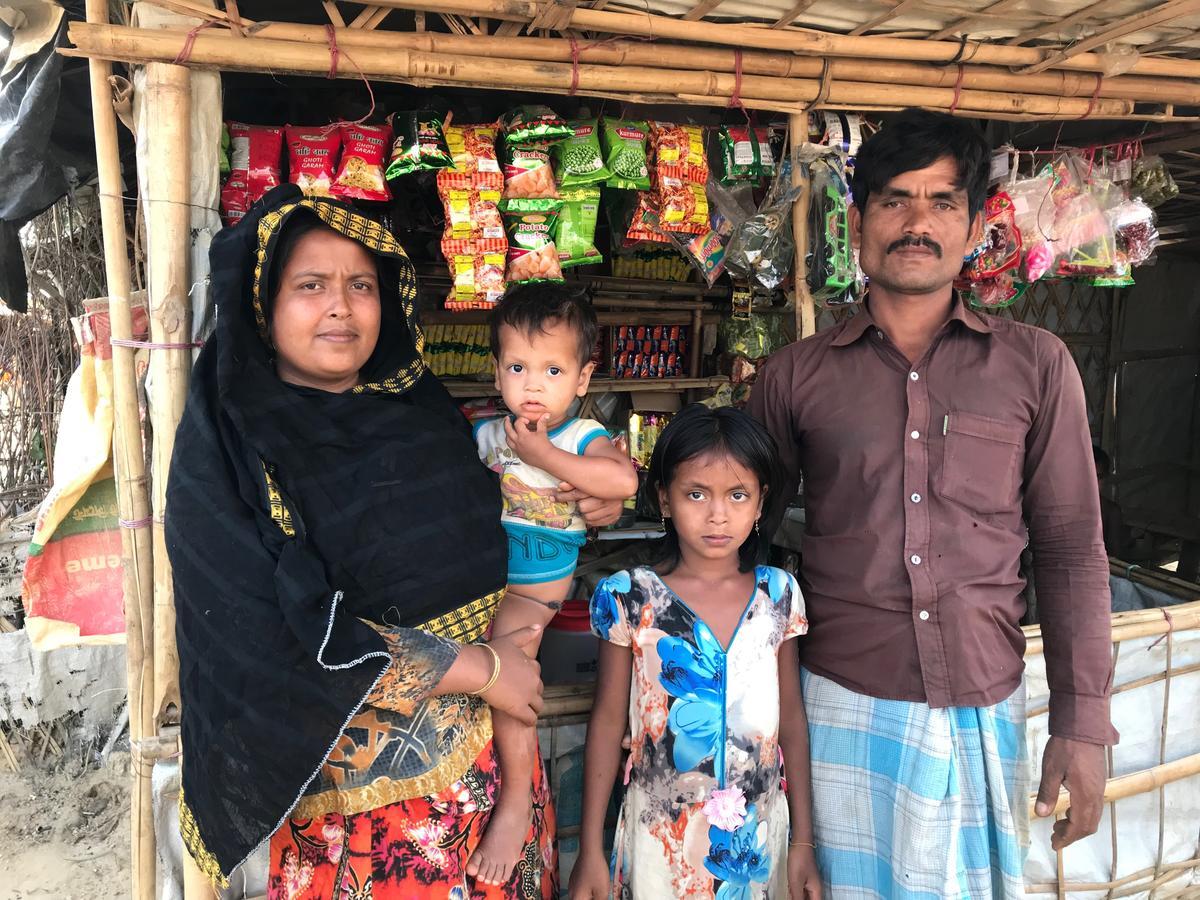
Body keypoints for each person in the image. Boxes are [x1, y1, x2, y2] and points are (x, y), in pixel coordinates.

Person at [167, 185, 619, 899]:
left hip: (496, 788)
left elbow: (519, 504)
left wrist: (591, 494)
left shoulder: (426, 418)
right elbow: (270, 638)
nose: (341, 305)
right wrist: (484, 671)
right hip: (367, 829)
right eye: (310, 285)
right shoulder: (232, 456)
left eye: (361, 286)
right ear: (263, 304)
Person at [749, 108, 1116, 898]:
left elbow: (1070, 545)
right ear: (857, 222)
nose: (917, 223)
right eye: (894, 201)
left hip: (984, 704)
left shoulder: (1036, 366)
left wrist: (1083, 722)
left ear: (978, 225)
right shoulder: (793, 378)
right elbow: (737, 540)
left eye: (943, 203)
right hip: (840, 700)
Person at [569, 405, 821, 900]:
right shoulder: (630, 599)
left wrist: (804, 843)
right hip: (659, 840)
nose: (717, 514)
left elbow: (791, 718)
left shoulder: (778, 595)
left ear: (760, 501)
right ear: (664, 497)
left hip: (757, 840)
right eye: (696, 494)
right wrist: (590, 852)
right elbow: (605, 723)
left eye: (738, 495)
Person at [467, 284, 638, 886]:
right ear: (497, 370)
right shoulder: (488, 434)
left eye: (553, 369)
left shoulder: (580, 435)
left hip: (537, 584)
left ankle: (517, 798)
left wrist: (547, 457)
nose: (533, 384)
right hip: (484, 579)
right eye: (518, 367)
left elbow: (620, 482)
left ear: (583, 378)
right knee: (481, 667)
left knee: (507, 674)